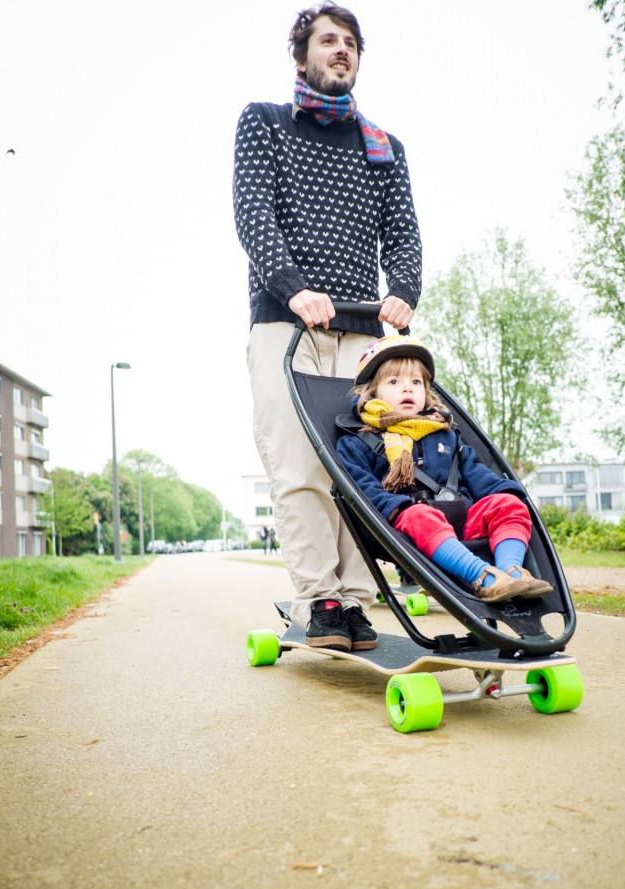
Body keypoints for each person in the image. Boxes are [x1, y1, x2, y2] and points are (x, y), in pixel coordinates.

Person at [234, 2, 422, 652]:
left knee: (360, 471)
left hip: (363, 335)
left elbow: (402, 235)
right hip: (286, 329)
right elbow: (253, 213)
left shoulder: (382, 147)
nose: (341, 50)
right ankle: (321, 601)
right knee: (300, 470)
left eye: (350, 43)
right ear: (302, 56)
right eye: (327, 40)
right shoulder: (265, 124)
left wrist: (401, 291)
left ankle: (358, 604)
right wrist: (294, 289)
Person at [336, 337, 555, 602]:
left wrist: (506, 493)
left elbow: (477, 474)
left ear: (426, 391)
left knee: (508, 503)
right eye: (394, 382)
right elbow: (364, 489)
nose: (407, 389)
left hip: (461, 519)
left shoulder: (445, 434)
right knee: (420, 516)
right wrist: (399, 508)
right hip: (407, 529)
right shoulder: (358, 442)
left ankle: (512, 574)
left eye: (416, 382)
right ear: (372, 393)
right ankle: (484, 578)